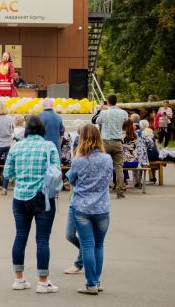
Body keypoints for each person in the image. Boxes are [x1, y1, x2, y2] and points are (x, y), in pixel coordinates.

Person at [3, 116, 60, 293]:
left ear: (27, 130)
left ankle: (18, 279)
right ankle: (43, 282)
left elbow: (7, 173)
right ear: (42, 130)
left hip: (20, 197)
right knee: (42, 239)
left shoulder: (17, 147)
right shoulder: (49, 146)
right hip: (43, 197)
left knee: (20, 236)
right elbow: (56, 171)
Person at [68, 124, 113, 295]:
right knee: (99, 245)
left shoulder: (78, 161)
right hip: (102, 208)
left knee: (87, 245)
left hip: (82, 207)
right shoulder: (107, 159)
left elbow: (72, 180)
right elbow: (109, 178)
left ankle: (91, 284)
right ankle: (97, 281)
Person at [95, 93, 128, 199]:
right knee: (119, 167)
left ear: (107, 102)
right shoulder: (123, 112)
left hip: (105, 142)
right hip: (118, 142)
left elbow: (97, 121)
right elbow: (126, 119)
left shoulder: (104, 113)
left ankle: (103, 190)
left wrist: (101, 109)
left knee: (103, 167)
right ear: (116, 101)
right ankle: (120, 191)